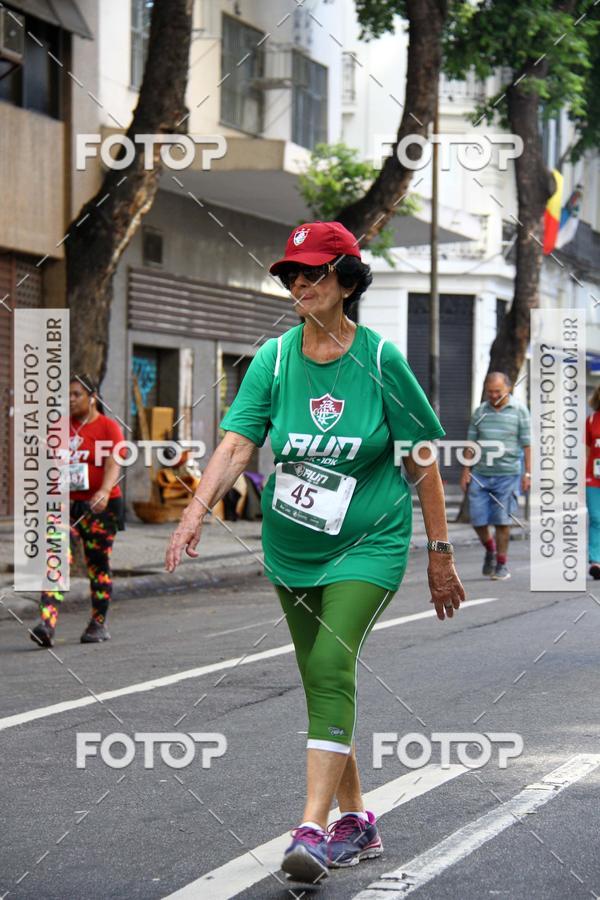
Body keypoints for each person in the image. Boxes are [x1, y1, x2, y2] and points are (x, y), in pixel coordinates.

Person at [165, 221, 465, 884]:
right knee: (322, 680)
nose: (300, 283)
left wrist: (440, 553)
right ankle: (357, 821)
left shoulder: (381, 360)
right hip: (292, 548)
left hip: (369, 543)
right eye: (291, 274)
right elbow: (238, 444)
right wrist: (194, 511)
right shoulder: (274, 361)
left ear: (347, 282)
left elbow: (421, 460)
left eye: (314, 272)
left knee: (330, 662)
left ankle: (310, 829)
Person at [31, 375, 126, 648]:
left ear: (92, 397)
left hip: (100, 508)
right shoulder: (59, 428)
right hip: (65, 505)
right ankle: (46, 624)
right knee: (56, 557)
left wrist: (104, 491)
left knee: (98, 564)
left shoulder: (108, 428)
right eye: (67, 395)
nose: (70, 400)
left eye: (76, 394)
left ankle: (98, 622)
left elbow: (114, 462)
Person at [460, 372, 531, 581]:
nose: (493, 395)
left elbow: (527, 445)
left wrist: (527, 473)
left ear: (508, 388)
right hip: (480, 474)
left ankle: (501, 563)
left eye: (497, 391)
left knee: (502, 520)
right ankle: (490, 549)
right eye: (490, 391)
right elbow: (471, 443)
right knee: (477, 519)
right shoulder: (480, 411)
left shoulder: (519, 411)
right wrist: (466, 470)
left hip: (508, 475)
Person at [585, 386, 600, 579]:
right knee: (596, 518)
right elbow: (587, 451)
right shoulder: (591, 420)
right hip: (594, 478)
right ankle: (596, 560)